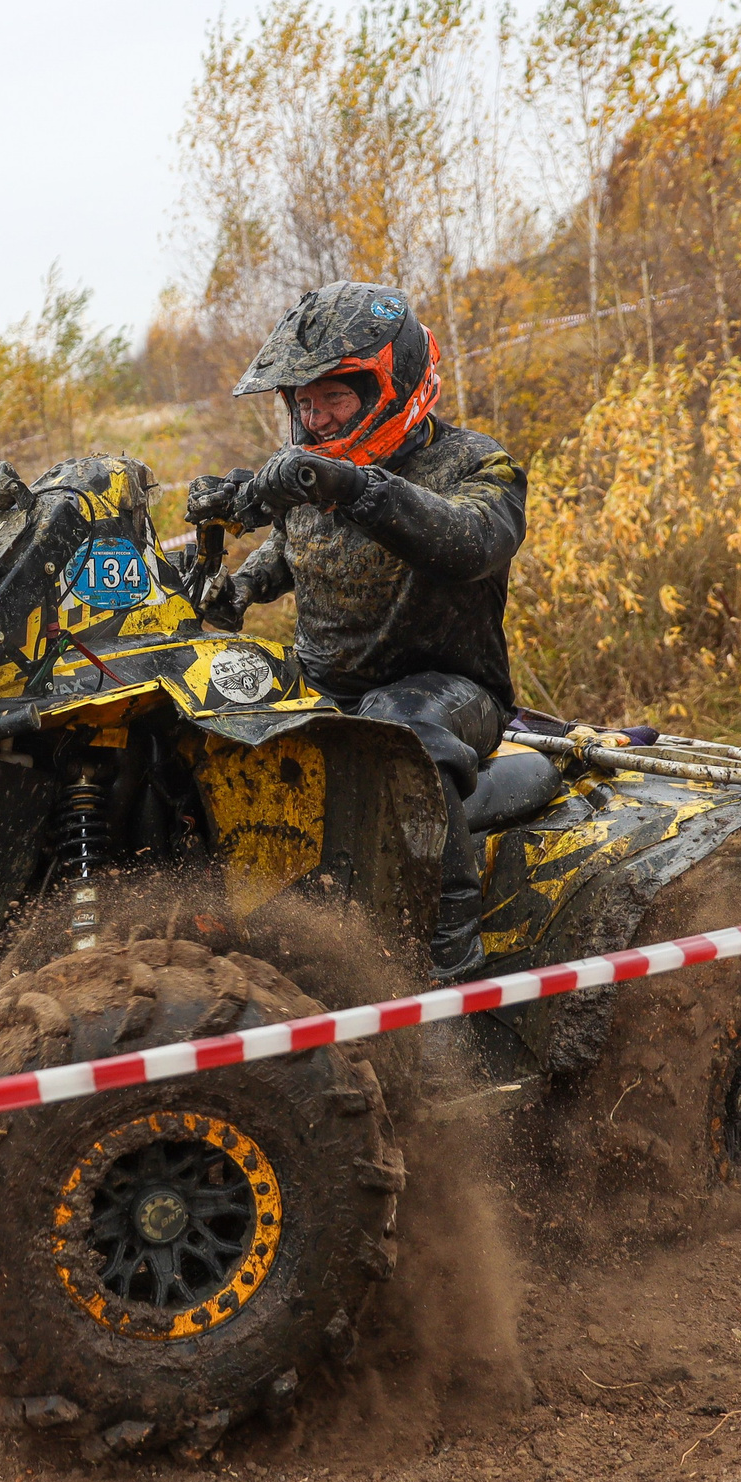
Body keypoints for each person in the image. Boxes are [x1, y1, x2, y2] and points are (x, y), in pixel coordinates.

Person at [182, 281, 527, 982]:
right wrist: (235, 587)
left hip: (450, 693)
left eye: (333, 397)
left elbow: (470, 541)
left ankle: (451, 969)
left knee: (397, 730)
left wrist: (351, 486)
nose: (316, 418)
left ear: (394, 384)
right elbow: (293, 545)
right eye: (302, 404)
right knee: (209, 701)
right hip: (328, 684)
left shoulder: (476, 464)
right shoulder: (323, 466)